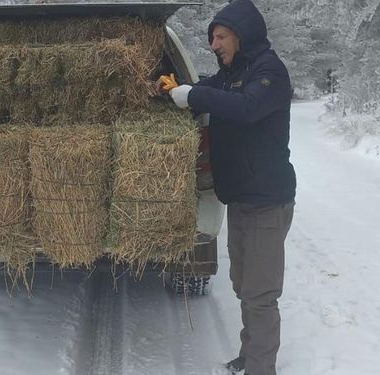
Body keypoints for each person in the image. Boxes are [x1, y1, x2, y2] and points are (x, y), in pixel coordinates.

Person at [158, 0, 296, 374]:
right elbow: (208, 89)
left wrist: (195, 96)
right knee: (241, 284)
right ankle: (250, 354)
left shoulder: (269, 72)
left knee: (260, 294)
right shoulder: (231, 71)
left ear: (242, 34)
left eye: (220, 37)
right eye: (212, 38)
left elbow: (247, 107)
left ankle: (260, 367)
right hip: (240, 198)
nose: (214, 45)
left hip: (267, 199)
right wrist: (177, 89)